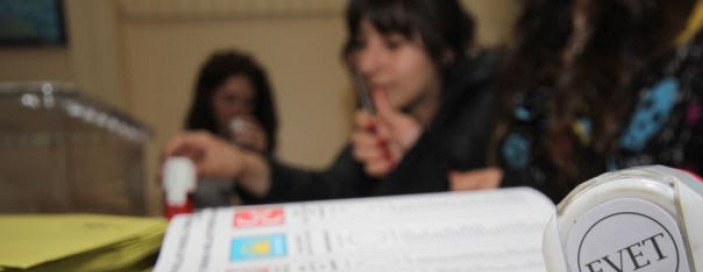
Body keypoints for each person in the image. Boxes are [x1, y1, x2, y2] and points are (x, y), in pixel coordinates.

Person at [454, 0, 703, 251]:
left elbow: (654, 187)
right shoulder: (551, 25)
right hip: (566, 262)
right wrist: (517, 192)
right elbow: (574, 173)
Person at [163, 0, 499, 203]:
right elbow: (332, 192)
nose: (365, 64)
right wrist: (243, 165)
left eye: (393, 44)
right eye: (361, 44)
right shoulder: (386, 121)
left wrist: (417, 156)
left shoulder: (493, 106)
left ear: (444, 51)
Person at [183, 50, 278, 207]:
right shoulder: (192, 153)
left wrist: (261, 159)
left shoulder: (259, 150)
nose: (239, 110)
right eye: (229, 99)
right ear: (209, 100)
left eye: (248, 102)